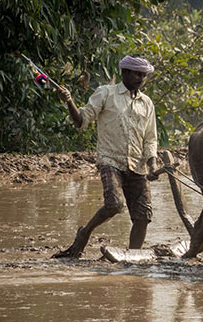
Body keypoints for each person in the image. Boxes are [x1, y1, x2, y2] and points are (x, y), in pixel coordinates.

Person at [53, 55, 160, 258]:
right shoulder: (106, 93)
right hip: (111, 160)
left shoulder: (146, 103)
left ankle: (132, 257)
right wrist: (69, 102)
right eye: (137, 74)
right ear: (125, 73)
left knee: (143, 216)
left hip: (137, 165)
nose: (140, 79)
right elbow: (81, 121)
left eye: (143, 75)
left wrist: (152, 165)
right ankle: (85, 233)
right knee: (114, 204)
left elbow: (150, 139)